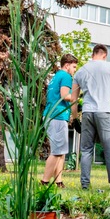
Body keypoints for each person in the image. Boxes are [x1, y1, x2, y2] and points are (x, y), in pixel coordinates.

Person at [71, 44, 110, 190]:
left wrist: (75, 118)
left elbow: (73, 99)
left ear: (93, 54)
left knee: (87, 149)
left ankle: (85, 184)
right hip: (104, 112)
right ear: (104, 55)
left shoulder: (81, 71)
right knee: (109, 150)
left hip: (88, 113)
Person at [41, 53, 77, 187]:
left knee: (61, 151)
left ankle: (59, 181)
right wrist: (77, 96)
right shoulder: (66, 76)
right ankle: (44, 182)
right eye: (73, 67)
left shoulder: (56, 76)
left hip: (52, 115)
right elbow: (64, 96)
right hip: (57, 116)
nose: (74, 70)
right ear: (66, 65)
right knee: (56, 152)